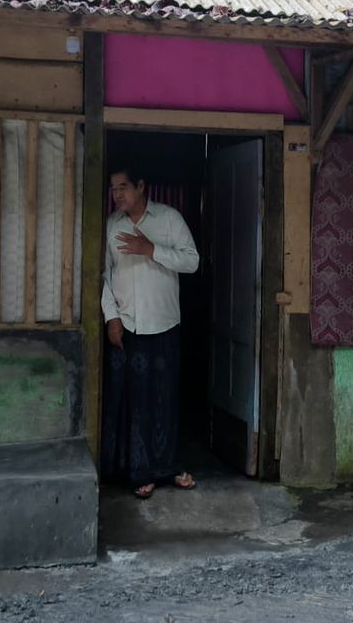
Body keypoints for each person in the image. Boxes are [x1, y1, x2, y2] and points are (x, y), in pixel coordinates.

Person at [101, 166, 200, 499]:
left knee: (164, 398)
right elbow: (103, 274)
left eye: (124, 187)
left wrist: (151, 250)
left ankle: (166, 467)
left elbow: (192, 261)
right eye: (113, 188)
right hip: (126, 325)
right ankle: (137, 471)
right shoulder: (112, 225)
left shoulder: (169, 219)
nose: (118, 194)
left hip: (164, 324)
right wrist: (111, 318)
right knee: (132, 401)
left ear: (141, 186)